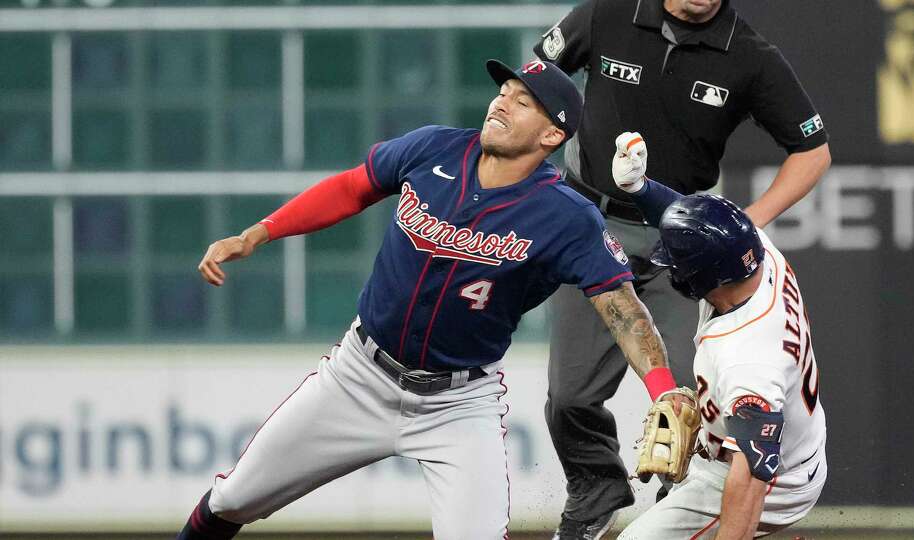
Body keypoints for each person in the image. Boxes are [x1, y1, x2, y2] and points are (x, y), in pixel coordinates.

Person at [176, 59, 689, 540]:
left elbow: (622, 310)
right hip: (359, 378)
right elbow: (352, 188)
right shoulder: (434, 150)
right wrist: (259, 233)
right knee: (233, 498)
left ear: (553, 134)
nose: (502, 103)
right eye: (503, 92)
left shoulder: (567, 217)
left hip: (457, 406)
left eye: (524, 102)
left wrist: (663, 388)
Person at [534, 0, 832, 534]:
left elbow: (813, 151)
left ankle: (679, 502)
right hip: (590, 222)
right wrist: (530, 174)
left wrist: (750, 223)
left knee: (691, 399)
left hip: (683, 240)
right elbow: (539, 84)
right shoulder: (607, 12)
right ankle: (596, 490)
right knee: (570, 397)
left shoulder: (748, 52)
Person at [613, 134, 827, 539]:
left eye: (676, 263)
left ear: (701, 277)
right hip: (793, 448)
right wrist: (641, 189)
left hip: (775, 480)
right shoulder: (752, 248)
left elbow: (753, 473)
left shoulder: (747, 359)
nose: (671, 265)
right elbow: (695, 228)